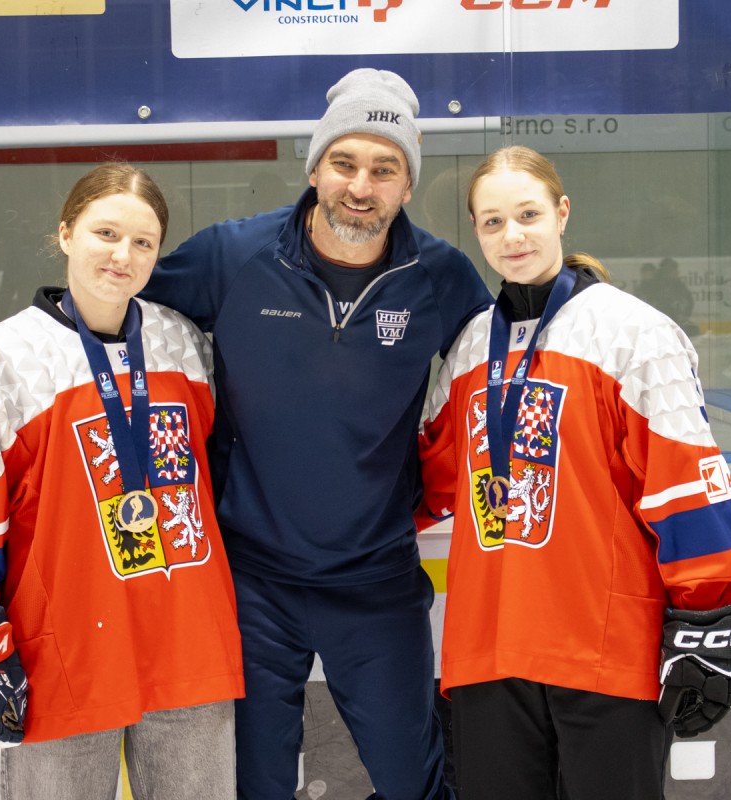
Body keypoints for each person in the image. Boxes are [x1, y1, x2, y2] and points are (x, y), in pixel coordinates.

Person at [139, 68, 492, 799]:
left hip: (377, 579)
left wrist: (575, 300)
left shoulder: (441, 276)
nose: (361, 186)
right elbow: (120, 310)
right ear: (314, 168)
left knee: (414, 783)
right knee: (254, 785)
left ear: (407, 183)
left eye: (384, 169)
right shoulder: (232, 256)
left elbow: (511, 361)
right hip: (250, 581)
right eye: (344, 163)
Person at [417, 146, 731, 799]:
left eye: (528, 214)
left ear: (562, 212)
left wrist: (707, 615)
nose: (512, 235)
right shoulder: (469, 347)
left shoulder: (633, 333)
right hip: (489, 650)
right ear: (476, 232)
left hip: (603, 650)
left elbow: (683, 478)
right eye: (493, 222)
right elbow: (427, 481)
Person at [0, 163, 243, 799]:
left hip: (188, 646)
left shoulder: (183, 345)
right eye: (105, 234)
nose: (123, 255)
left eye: (143, 242)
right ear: (65, 234)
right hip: (65, 656)